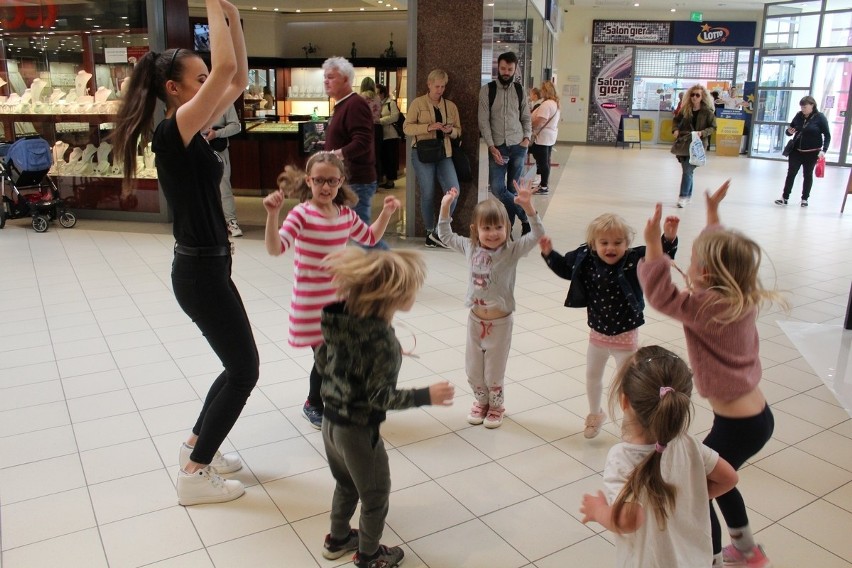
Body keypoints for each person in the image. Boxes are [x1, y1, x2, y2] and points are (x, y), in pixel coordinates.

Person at [111, 0, 256, 506]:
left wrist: (232, 18)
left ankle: (198, 446)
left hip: (209, 267)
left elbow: (233, 81)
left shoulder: (186, 129)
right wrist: (215, 7)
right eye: (198, 81)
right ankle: (195, 474)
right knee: (244, 370)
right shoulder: (173, 132)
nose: (207, 86)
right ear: (174, 90)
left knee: (236, 365)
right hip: (199, 272)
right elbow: (227, 72)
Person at [639, 180, 787, 568]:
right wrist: (712, 216)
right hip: (757, 418)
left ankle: (717, 557)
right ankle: (745, 549)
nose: (687, 266)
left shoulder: (705, 307)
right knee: (719, 480)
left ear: (704, 272)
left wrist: (653, 244)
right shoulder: (742, 295)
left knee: (699, 487)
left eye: (692, 261)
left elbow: (660, 295)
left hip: (738, 425)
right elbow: (721, 253)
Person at [315, 247, 455, 568]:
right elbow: (380, 397)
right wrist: (425, 395)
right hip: (358, 431)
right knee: (376, 493)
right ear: (392, 297)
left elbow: (322, 363)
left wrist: (355, 373)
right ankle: (369, 556)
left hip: (330, 422)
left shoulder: (340, 324)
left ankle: (337, 539)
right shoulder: (384, 344)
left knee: (346, 482)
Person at [262, 152, 401, 429]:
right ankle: (314, 403)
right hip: (310, 303)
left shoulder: (345, 214)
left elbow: (370, 236)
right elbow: (275, 248)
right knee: (327, 355)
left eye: (332, 181)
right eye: (319, 180)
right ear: (308, 181)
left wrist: (386, 212)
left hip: (339, 299)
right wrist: (273, 215)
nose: (325, 187)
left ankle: (333, 399)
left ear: (341, 182)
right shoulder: (301, 213)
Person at [580, 346, 738, 568]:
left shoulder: (622, 458)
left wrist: (599, 511)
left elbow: (629, 519)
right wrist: (693, 497)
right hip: (697, 560)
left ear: (625, 402)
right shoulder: (689, 443)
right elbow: (728, 478)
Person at [539, 212, 679, 439]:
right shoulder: (585, 257)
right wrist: (549, 254)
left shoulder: (634, 258)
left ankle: (630, 422)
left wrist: (668, 238)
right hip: (598, 334)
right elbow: (566, 268)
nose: (610, 248)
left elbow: (658, 257)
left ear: (627, 243)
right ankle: (595, 415)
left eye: (617, 242)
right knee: (592, 376)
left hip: (626, 335)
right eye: (603, 243)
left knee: (628, 383)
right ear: (593, 244)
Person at [437, 181, 544, 428]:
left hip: (500, 323)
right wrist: (445, 207)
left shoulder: (512, 251)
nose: (493, 233)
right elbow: (444, 235)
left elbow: (537, 234)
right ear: (476, 230)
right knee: (473, 370)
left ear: (507, 227)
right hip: (475, 321)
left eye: (499, 227)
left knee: (493, 371)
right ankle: (481, 402)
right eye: (487, 228)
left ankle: (496, 406)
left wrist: (529, 207)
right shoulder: (470, 247)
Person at [322, 57, 386, 249]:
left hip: (357, 181)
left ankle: (390, 271)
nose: (326, 81)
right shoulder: (343, 105)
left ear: (346, 80)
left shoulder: (355, 104)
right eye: (325, 77)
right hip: (347, 180)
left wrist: (336, 154)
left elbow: (363, 142)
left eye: (331, 77)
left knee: (362, 236)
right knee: (357, 234)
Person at [403, 68, 461, 249]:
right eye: (437, 86)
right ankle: (429, 230)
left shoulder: (450, 106)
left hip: (444, 153)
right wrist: (428, 127)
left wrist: (450, 131)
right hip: (422, 153)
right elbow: (407, 128)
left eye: (443, 87)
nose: (440, 90)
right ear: (429, 85)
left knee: (453, 191)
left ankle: (437, 233)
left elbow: (459, 131)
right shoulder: (417, 103)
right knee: (427, 193)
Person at [478, 52, 532, 236]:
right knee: (497, 188)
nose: (506, 72)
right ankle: (526, 218)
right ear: (497, 68)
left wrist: (527, 138)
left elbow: (526, 117)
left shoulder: (520, 90)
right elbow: (483, 121)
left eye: (510, 69)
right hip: (498, 147)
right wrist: (491, 146)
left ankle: (508, 229)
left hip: (518, 146)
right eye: (503, 69)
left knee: (512, 189)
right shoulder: (487, 90)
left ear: (515, 69)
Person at [775, 95, 830, 208]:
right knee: (791, 173)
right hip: (796, 151)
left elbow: (827, 135)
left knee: (807, 174)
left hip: (812, 152)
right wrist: (789, 132)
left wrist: (824, 150)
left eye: (805, 107)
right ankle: (784, 197)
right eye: (801, 107)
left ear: (812, 105)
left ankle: (805, 199)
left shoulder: (820, 117)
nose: (802, 109)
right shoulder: (799, 116)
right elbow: (789, 130)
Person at [671, 84, 716, 208]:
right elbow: (676, 120)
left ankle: (683, 196)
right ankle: (688, 196)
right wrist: (675, 129)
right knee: (688, 171)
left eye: (697, 95)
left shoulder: (707, 112)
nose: (694, 97)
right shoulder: (685, 109)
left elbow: (713, 127)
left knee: (687, 170)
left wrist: (703, 133)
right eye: (692, 94)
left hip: (698, 145)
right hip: (685, 143)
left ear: (702, 97)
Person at [204, 103, 243, 237]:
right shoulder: (192, 97)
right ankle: (207, 223)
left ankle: (230, 221)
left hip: (218, 149)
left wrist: (217, 133)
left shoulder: (225, 99)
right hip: (197, 148)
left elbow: (236, 126)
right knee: (199, 186)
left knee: (223, 185)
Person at [529, 81, 561, 196]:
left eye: (542, 90)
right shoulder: (554, 103)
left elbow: (540, 120)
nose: (541, 92)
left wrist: (530, 125)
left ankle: (543, 186)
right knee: (545, 161)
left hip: (542, 137)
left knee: (543, 162)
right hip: (548, 137)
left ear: (546, 91)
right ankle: (543, 184)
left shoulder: (547, 104)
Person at [359, 77, 384, 188]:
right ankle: (377, 181)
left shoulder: (360, 97)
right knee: (377, 155)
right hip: (377, 128)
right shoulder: (378, 97)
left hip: (364, 128)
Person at [376, 83, 400, 190]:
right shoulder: (376, 104)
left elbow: (395, 117)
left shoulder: (391, 103)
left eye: (377, 93)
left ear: (382, 93)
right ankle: (385, 179)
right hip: (380, 136)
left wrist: (380, 121)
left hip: (390, 135)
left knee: (391, 158)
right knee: (383, 158)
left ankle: (390, 181)